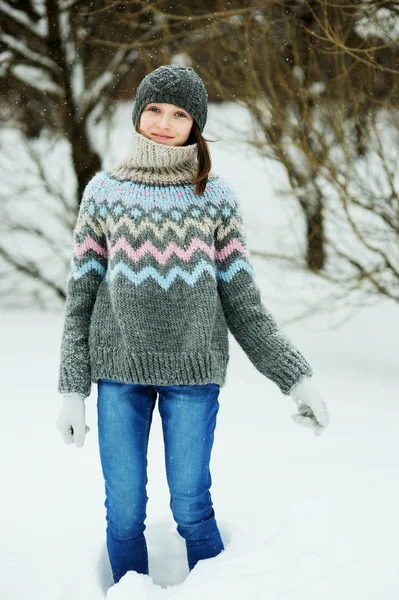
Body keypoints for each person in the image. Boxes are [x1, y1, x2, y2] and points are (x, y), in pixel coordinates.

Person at [56, 64, 329, 584]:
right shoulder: (104, 192)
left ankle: (216, 590)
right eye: (155, 109)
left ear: (195, 126)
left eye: (179, 114)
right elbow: (81, 300)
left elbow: (244, 304)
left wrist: (297, 378)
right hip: (118, 373)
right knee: (124, 509)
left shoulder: (215, 198)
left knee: (190, 504)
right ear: (138, 113)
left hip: (194, 376)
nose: (164, 122)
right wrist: (73, 389)